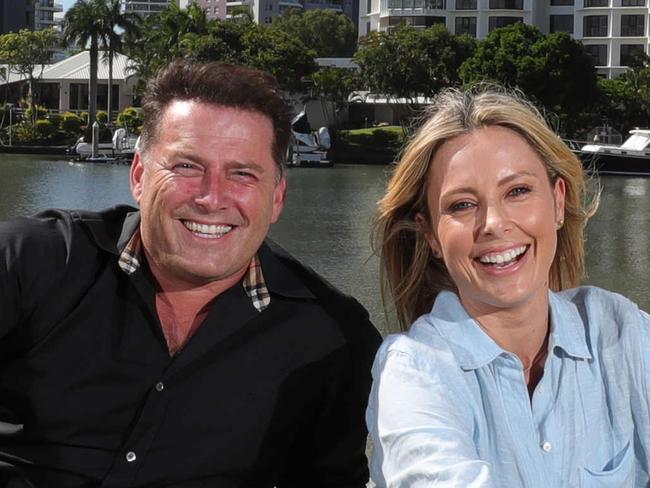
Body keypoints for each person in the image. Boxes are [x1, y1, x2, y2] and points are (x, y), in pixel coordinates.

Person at [0, 61, 381, 487]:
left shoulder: (332, 336)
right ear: (140, 176)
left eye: (242, 174)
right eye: (186, 166)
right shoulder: (29, 262)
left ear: (277, 198)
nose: (211, 198)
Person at [366, 87, 650, 487]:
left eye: (517, 192)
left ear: (557, 201)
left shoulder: (622, 331)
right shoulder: (415, 372)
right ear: (430, 234)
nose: (494, 223)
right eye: (462, 205)